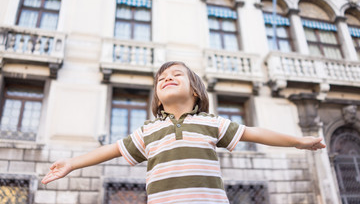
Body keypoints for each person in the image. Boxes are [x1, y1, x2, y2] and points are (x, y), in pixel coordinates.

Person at [41, 61, 326, 204]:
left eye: (176, 75)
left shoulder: (210, 122)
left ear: (194, 91)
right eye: (161, 78)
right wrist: (72, 163)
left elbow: (255, 132)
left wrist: (298, 141)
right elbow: (112, 149)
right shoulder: (150, 130)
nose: (167, 78)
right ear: (157, 95)